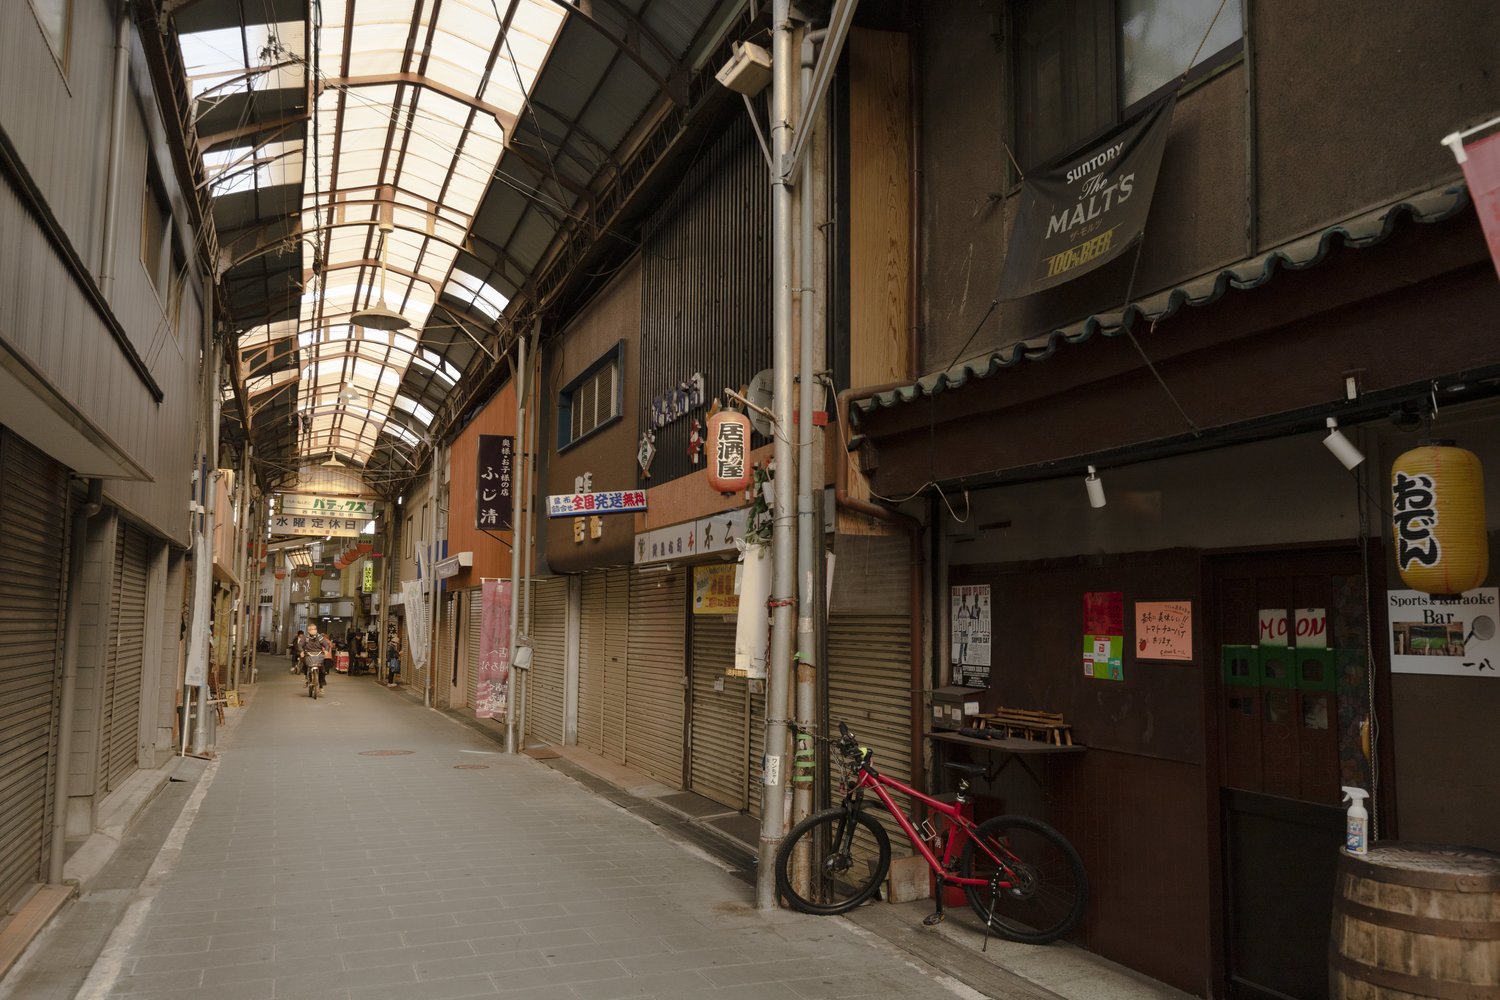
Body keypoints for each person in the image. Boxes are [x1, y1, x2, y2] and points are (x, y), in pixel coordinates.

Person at [298, 623, 333, 690]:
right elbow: (300, 645)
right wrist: (301, 651)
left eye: (314, 629)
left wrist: (326, 650)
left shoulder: (320, 637)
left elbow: (326, 644)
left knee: (322, 670)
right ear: (308, 631)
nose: (313, 630)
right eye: (311, 629)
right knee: (304, 665)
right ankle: (306, 678)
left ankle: (321, 686)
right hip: (308, 655)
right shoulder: (305, 638)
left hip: (318, 655)